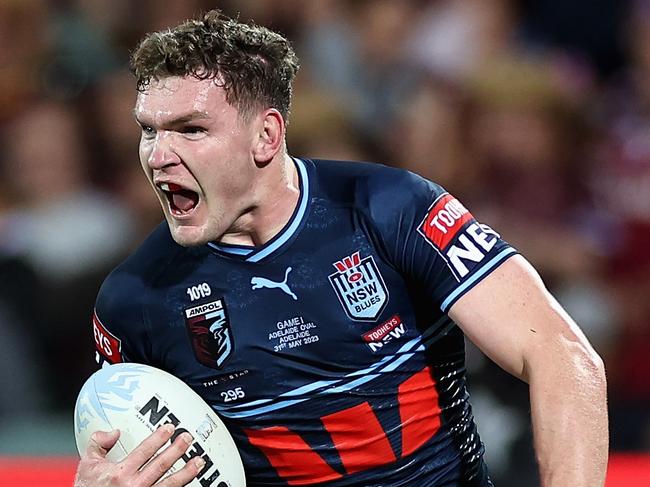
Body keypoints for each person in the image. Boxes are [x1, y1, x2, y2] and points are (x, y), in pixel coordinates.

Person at [74, 9, 608, 487]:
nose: (158, 155)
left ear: (266, 135)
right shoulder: (134, 301)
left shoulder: (389, 209)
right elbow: (127, 457)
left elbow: (562, 356)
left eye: (190, 130)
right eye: (149, 131)